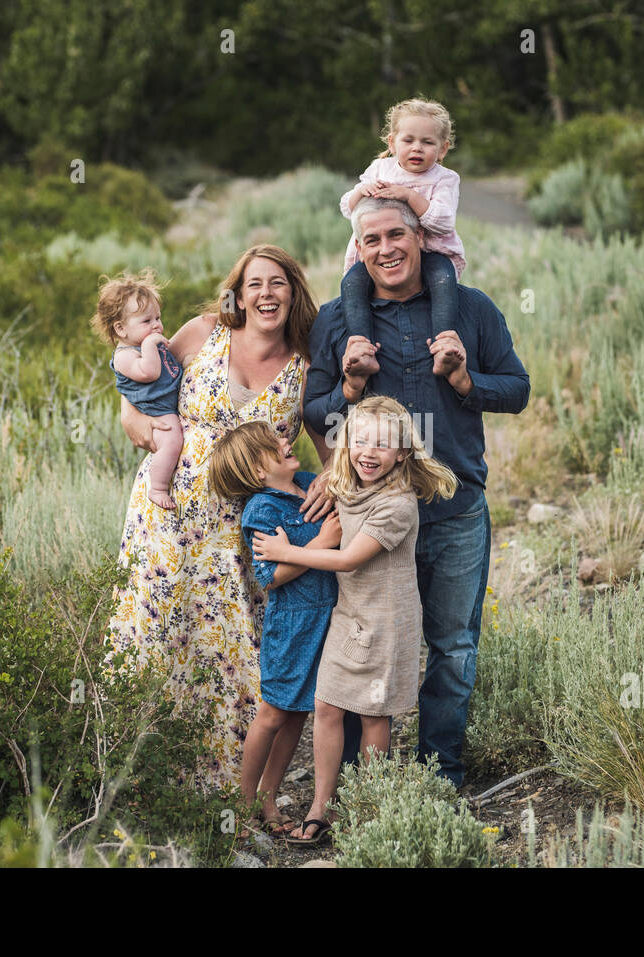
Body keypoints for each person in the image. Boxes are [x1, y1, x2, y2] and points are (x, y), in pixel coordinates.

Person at [304, 196, 530, 789]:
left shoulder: (471, 310)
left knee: (452, 648)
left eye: (396, 235)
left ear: (420, 237)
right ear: (359, 248)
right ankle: (356, 788)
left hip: (454, 513)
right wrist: (350, 387)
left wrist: (463, 379)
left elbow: (517, 388)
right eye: (371, 240)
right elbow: (314, 414)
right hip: (366, 524)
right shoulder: (336, 320)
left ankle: (439, 779)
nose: (386, 249)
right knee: (359, 644)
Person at [108, 245, 334, 791]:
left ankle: (222, 788)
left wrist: (331, 477)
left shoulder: (305, 367)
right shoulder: (203, 331)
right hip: (167, 519)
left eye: (277, 283)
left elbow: (330, 450)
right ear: (238, 291)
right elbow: (138, 390)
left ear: (293, 292)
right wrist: (133, 418)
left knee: (230, 648)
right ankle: (137, 778)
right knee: (157, 636)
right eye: (254, 284)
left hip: (240, 535)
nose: (265, 294)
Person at [252, 396, 458, 843]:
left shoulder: (397, 505)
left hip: (384, 623)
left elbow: (347, 559)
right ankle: (320, 809)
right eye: (360, 440)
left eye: (383, 445)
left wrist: (288, 553)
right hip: (349, 617)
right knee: (326, 706)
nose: (369, 451)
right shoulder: (349, 483)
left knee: (371, 715)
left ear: (403, 452)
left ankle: (370, 808)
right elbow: (321, 497)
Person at [208, 421, 342, 834]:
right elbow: (271, 575)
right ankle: (244, 805)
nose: (286, 441)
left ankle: (269, 796)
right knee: (273, 711)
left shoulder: (307, 483)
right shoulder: (262, 510)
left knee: (301, 711)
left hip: (331, 612)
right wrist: (323, 542)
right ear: (256, 472)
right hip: (294, 622)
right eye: (273, 444)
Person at [338, 97, 465, 378]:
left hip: (432, 253)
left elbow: (443, 222)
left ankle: (444, 344)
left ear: (443, 149)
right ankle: (361, 346)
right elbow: (348, 208)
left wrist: (409, 196)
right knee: (352, 283)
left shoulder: (444, 178)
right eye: (409, 140)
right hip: (383, 256)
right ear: (392, 143)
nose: (417, 148)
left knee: (442, 281)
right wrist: (363, 190)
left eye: (428, 142)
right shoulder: (380, 170)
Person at [92, 270, 185, 509]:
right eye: (147, 321)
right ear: (121, 329)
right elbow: (149, 373)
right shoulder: (124, 355)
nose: (156, 325)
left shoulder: (145, 344)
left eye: (157, 318)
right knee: (172, 440)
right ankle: (158, 487)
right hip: (156, 411)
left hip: (166, 403)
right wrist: (151, 343)